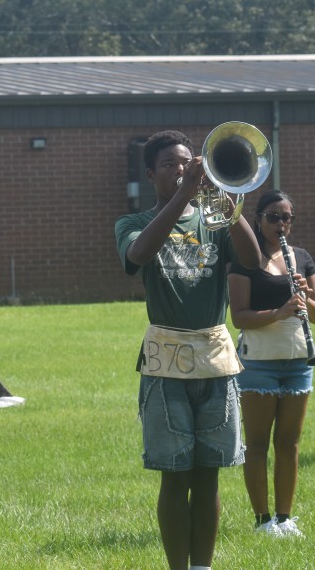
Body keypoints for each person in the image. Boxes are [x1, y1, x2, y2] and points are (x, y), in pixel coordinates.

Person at [115, 129, 262, 570]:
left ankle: (203, 566)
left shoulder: (215, 218)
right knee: (174, 475)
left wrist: (224, 199)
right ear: (149, 174)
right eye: (169, 165)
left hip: (215, 359)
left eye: (186, 163)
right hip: (165, 360)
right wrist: (183, 194)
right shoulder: (134, 223)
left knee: (209, 475)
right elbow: (139, 255)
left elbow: (252, 261)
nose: (180, 170)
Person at [228, 190, 315, 538]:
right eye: (273, 217)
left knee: (289, 443)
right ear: (258, 219)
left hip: (299, 360)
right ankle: (261, 519)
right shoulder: (245, 260)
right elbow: (239, 317)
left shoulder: (302, 258)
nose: (281, 224)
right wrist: (280, 312)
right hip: (259, 363)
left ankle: (285, 518)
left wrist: (306, 296)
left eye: (287, 218)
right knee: (257, 443)